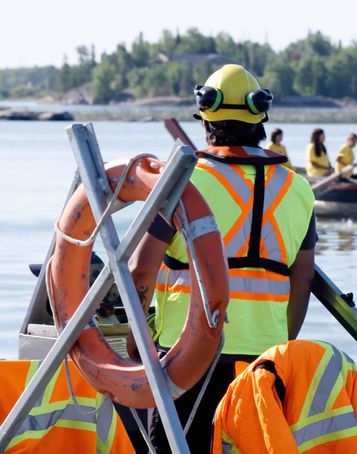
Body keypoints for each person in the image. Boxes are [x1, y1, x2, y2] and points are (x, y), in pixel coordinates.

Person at [128, 64, 317, 452]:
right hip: (264, 358)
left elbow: (140, 270)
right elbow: (303, 282)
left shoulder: (185, 181)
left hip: (188, 354)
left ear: (205, 119)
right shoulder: (298, 189)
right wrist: (280, 343)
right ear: (260, 118)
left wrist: (135, 339)